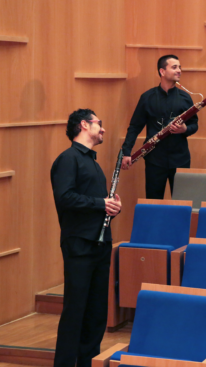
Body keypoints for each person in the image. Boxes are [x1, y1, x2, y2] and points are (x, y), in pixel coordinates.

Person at [50, 109, 122, 367]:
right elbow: (65, 198)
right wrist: (101, 203)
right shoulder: (68, 159)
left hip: (100, 244)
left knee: (96, 314)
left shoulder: (92, 162)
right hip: (79, 245)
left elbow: (94, 206)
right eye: (99, 124)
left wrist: (111, 207)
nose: (103, 129)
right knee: (75, 311)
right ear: (84, 125)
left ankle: (88, 362)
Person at [121, 54, 198, 199]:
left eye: (180, 67)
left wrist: (185, 130)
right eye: (174, 67)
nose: (179, 70)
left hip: (180, 159)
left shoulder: (185, 98)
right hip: (155, 160)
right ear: (162, 72)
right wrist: (126, 152)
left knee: (182, 203)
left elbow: (194, 124)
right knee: (153, 202)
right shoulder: (147, 97)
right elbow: (135, 126)